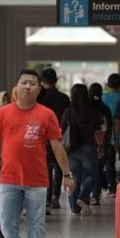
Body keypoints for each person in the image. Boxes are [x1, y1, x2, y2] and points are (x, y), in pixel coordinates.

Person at [0, 69, 74, 238]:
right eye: (24, 82)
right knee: (6, 223)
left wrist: (67, 174)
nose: (27, 86)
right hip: (9, 179)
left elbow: (57, 147)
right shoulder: (2, 113)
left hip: (37, 180)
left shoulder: (47, 114)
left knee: (36, 224)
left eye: (32, 83)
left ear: (39, 88)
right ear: (17, 86)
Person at [61, 84, 103, 215]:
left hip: (72, 148)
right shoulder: (92, 111)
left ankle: (74, 208)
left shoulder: (68, 110)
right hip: (88, 147)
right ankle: (83, 197)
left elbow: (61, 128)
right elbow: (98, 130)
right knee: (92, 175)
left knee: (75, 178)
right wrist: (101, 146)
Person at [39, 68, 70, 210]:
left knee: (44, 167)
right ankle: (55, 197)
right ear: (56, 80)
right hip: (59, 135)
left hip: (42, 136)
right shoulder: (64, 98)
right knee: (58, 166)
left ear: (42, 81)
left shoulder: (40, 98)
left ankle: (46, 198)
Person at [88, 83, 112, 206]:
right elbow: (110, 127)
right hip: (103, 143)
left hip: (87, 142)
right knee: (98, 169)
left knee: (87, 170)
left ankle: (86, 193)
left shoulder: (86, 108)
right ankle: (95, 196)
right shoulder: (105, 108)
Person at [101, 73, 120, 195]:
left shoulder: (102, 98)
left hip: (106, 135)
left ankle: (112, 187)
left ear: (107, 85)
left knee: (109, 162)